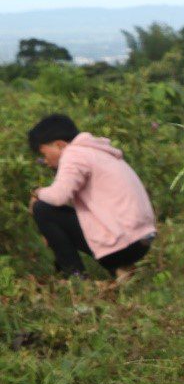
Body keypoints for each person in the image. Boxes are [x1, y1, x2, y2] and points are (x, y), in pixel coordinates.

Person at [26, 113, 156, 282]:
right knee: (52, 209)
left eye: (44, 154)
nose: (45, 161)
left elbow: (58, 196)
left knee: (43, 209)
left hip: (124, 245)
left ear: (59, 145)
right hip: (141, 241)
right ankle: (119, 270)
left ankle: (77, 279)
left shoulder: (74, 154)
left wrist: (37, 193)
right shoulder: (96, 151)